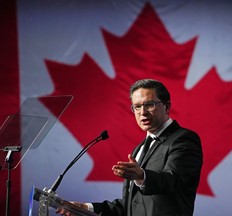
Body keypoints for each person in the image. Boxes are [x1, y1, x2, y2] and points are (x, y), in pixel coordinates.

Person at [57, 79, 203, 216]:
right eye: (137, 107)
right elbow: (130, 206)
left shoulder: (183, 139)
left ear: (167, 107)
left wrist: (142, 176)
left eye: (149, 104)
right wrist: (87, 208)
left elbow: (174, 181)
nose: (142, 112)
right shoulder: (139, 149)